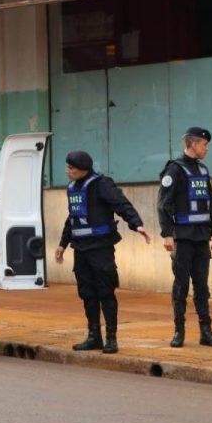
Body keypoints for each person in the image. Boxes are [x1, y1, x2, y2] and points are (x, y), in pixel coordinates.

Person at [55, 151, 152, 354]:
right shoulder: (72, 188)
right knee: (87, 294)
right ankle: (94, 336)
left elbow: (122, 205)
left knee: (106, 292)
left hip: (100, 249)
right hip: (81, 249)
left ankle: (111, 338)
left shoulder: (102, 184)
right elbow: (72, 218)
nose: (67, 171)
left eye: (71, 168)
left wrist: (137, 225)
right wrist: (63, 244)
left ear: (83, 170)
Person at [157, 127, 212, 348]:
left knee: (202, 286)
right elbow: (163, 204)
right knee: (181, 285)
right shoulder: (174, 170)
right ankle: (179, 332)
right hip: (183, 237)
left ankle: (206, 332)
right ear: (194, 144)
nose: (206, 148)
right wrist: (167, 234)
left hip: (201, 237)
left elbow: (210, 204)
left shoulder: (203, 171)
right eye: (204, 145)